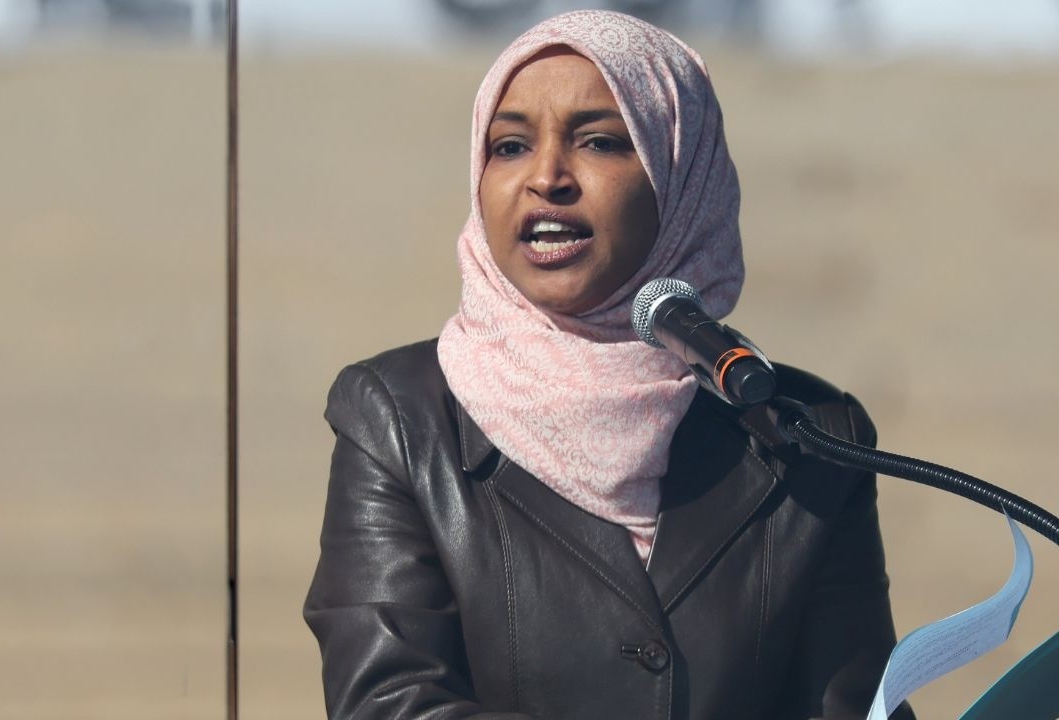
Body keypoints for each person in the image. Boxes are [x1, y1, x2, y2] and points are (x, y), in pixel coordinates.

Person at [304, 10, 914, 720]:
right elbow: (387, 704)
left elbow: (854, 707)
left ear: (680, 178)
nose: (546, 178)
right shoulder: (399, 419)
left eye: (598, 141)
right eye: (509, 146)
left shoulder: (810, 435)